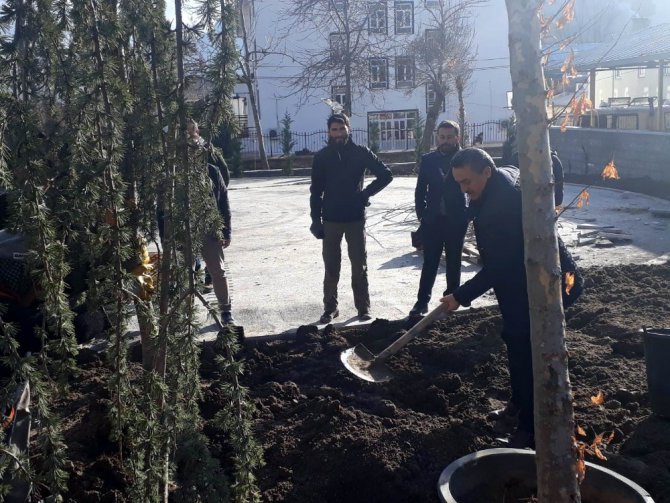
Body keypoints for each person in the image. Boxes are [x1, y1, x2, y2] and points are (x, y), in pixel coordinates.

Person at [440, 147, 583, 448]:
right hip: (523, 279)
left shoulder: (500, 209)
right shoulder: (500, 179)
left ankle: (530, 430)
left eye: (467, 182)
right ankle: (518, 404)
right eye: (459, 183)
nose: (464, 189)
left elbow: (499, 265)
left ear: (486, 172)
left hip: (547, 284)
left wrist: (460, 296)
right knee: (516, 342)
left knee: (533, 355)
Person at [310, 113, 393, 324]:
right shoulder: (322, 157)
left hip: (355, 219)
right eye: (334, 130)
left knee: (359, 265)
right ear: (329, 132)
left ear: (349, 128)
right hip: (330, 220)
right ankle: (330, 308)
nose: (338, 133)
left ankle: (363, 308)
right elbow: (315, 191)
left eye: (341, 128)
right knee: (331, 267)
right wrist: (316, 220)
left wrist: (365, 194)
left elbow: (385, 175)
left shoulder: (361, 153)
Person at [410, 120, 468, 317]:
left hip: (456, 221)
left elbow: (475, 188)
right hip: (432, 221)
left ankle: (451, 301)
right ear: (437, 137)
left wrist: (467, 215)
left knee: (454, 263)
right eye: (442, 137)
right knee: (430, 263)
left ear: (457, 137)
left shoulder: (466, 159)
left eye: (449, 137)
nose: (445, 141)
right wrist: (422, 215)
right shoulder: (429, 160)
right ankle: (421, 303)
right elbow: (420, 190)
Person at [186, 119, 235, 325]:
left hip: (210, 227)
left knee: (218, 271)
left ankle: (225, 310)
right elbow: (161, 208)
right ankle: (185, 316)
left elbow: (223, 202)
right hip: (184, 229)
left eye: (192, 134)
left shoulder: (212, 171)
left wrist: (226, 230)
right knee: (184, 273)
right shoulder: (173, 176)